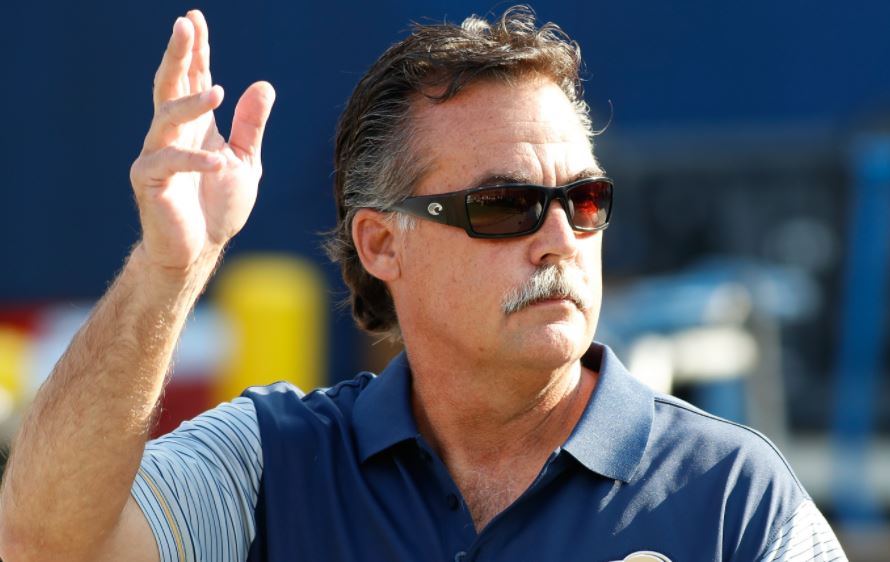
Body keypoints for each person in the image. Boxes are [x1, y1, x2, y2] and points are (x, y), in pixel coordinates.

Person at [0, 7, 846, 562]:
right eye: (506, 204)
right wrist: (169, 268)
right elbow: (42, 545)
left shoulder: (732, 494)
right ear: (381, 244)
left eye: (584, 200)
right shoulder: (268, 462)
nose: (561, 237)